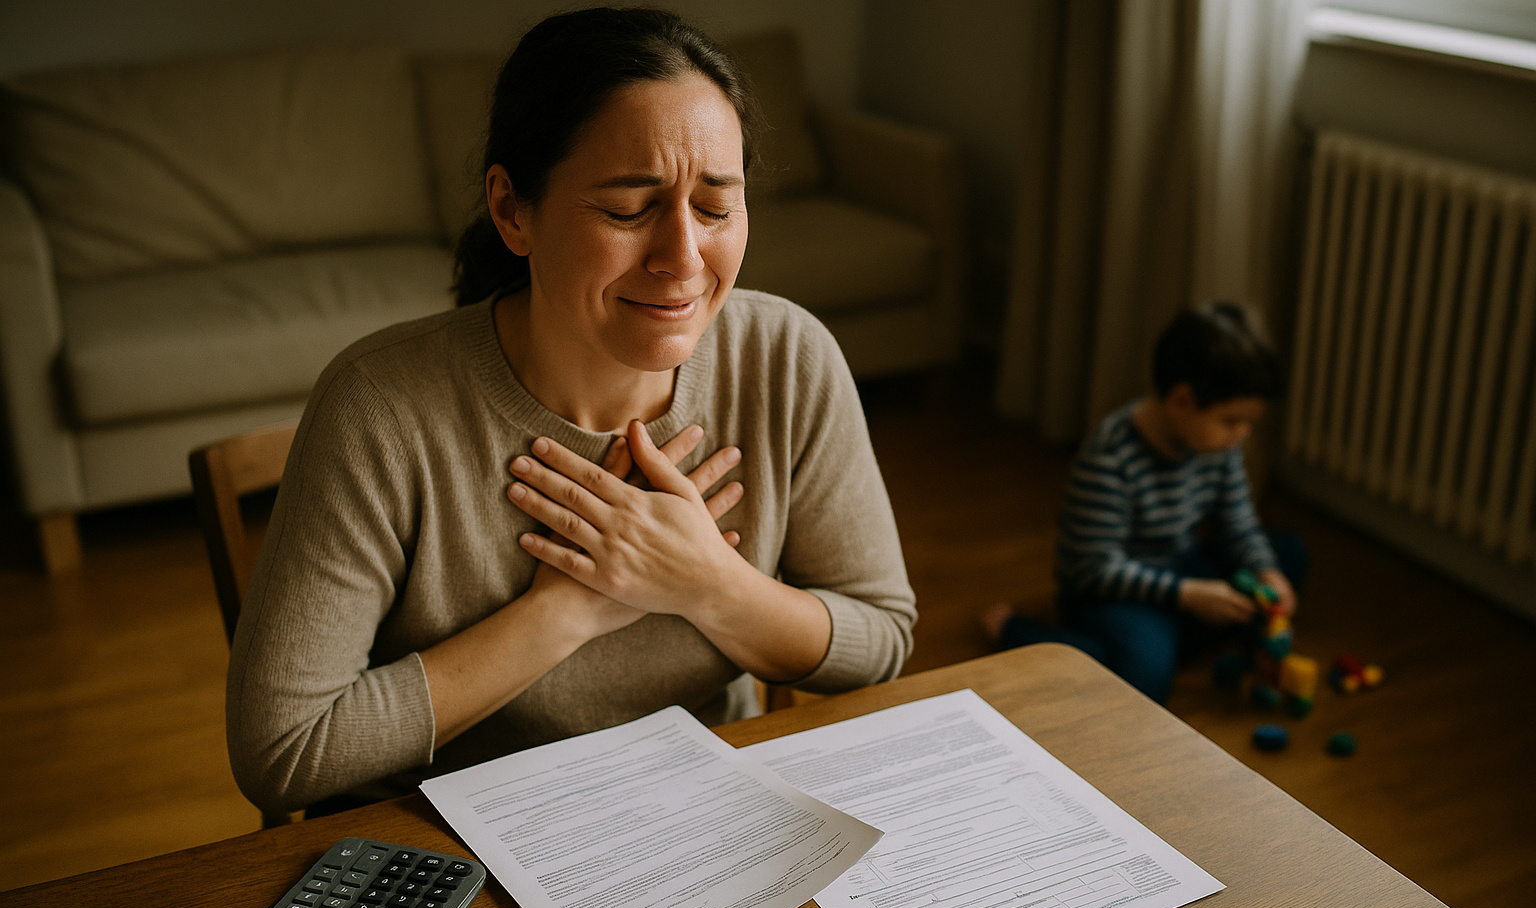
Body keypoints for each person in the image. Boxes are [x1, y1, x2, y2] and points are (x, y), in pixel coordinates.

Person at [227, 8, 915, 817]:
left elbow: (882, 642)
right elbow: (283, 751)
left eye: (716, 207)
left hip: (693, 817)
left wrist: (707, 583)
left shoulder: (788, 359)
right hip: (446, 843)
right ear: (513, 209)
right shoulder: (378, 408)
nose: (683, 260)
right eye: (629, 209)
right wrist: (570, 609)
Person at [985, 303, 1305, 702]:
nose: (1241, 435)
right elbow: (1093, 568)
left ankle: (1172, 634)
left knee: (1288, 555)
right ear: (1183, 401)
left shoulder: (1218, 447)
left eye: (1248, 423)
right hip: (1110, 589)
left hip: (1180, 565)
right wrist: (1188, 595)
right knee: (1145, 680)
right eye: (1231, 421)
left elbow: (1238, 523)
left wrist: (1265, 571)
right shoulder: (1111, 456)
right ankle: (1021, 633)